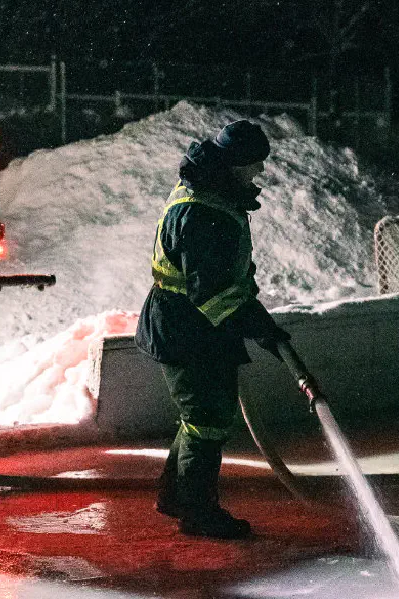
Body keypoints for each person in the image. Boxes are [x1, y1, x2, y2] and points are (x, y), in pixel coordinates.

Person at [135, 119, 290, 540]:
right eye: (254, 166)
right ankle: (197, 512)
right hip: (187, 327)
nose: (257, 174)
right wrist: (259, 326)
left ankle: (175, 495)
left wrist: (254, 315)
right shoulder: (202, 211)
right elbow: (213, 293)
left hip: (195, 325)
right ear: (235, 163)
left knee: (200, 417)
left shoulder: (210, 192)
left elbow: (224, 271)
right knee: (207, 419)